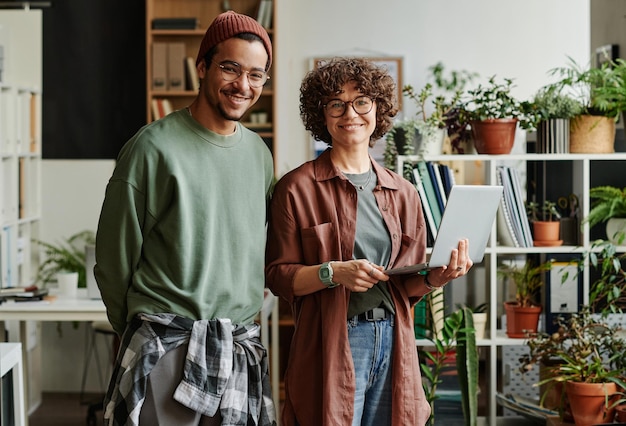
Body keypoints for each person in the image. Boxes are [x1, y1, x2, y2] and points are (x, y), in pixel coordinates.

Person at [265, 57, 473, 426]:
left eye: (362, 101)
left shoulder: (403, 192)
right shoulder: (296, 187)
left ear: (377, 109)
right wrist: (333, 273)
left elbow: (404, 283)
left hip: (394, 339)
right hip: (335, 340)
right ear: (322, 115)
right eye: (336, 103)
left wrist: (436, 277)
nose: (351, 113)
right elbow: (279, 276)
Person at [94, 11, 276, 426]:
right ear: (202, 67)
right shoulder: (151, 149)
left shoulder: (259, 155)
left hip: (238, 345)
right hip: (166, 343)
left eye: (256, 75)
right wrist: (134, 330)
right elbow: (113, 259)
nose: (243, 86)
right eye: (230, 68)